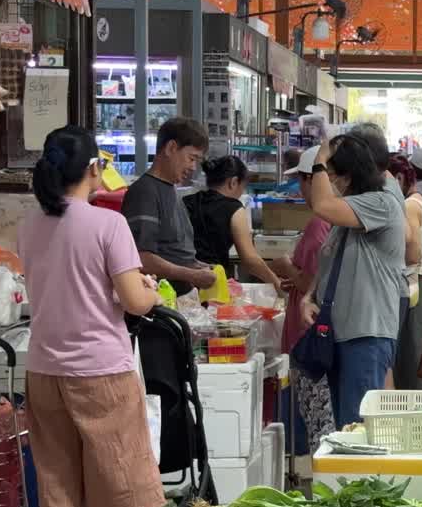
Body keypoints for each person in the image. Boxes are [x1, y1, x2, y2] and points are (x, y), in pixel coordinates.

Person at [18, 126, 163, 507]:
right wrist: (151, 289)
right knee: (129, 475)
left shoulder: (29, 224)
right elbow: (133, 299)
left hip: (43, 369)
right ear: (93, 170)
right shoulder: (108, 225)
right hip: (101, 369)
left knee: (56, 478)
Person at [302, 130, 407, 429]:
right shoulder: (352, 210)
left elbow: (321, 205)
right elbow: (332, 259)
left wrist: (321, 159)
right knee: (347, 429)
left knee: (360, 430)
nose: (329, 183)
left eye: (333, 175)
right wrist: (310, 298)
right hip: (341, 332)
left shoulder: (381, 203)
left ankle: (367, 476)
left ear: (350, 175)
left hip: (366, 334)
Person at [271, 146, 335, 451]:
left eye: (301, 180)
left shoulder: (319, 224)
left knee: (317, 417)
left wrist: (287, 267)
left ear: (313, 180)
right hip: (320, 337)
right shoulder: (333, 222)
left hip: (310, 339)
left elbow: (312, 283)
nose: (300, 187)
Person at [121, 118, 217, 295]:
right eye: (191, 158)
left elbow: (175, 252)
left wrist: (199, 267)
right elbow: (141, 258)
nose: (193, 167)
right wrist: (191, 275)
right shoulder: (144, 192)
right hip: (159, 300)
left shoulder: (172, 189)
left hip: (182, 296)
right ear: (171, 148)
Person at [182, 155, 282, 291]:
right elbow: (250, 260)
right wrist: (276, 283)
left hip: (183, 280)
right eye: (243, 187)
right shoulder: (234, 208)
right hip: (211, 284)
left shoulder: (186, 201)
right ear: (233, 182)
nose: (242, 193)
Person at [389, 153, 422, 390]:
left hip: (410, 286)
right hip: (416, 285)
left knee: (411, 360)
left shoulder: (410, 205)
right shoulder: (418, 201)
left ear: (399, 178)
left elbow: (411, 252)